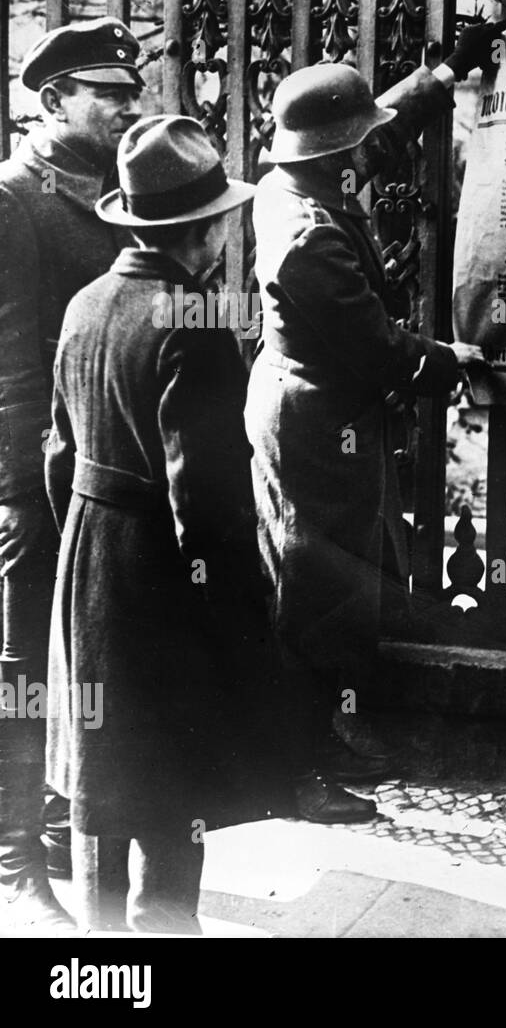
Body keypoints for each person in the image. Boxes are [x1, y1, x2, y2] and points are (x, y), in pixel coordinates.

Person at [246, 23, 506, 823]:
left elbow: (373, 128)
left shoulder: (291, 184)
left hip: (312, 410)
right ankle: (300, 771)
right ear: (336, 156)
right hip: (315, 426)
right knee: (314, 595)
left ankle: (318, 741)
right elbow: (376, 348)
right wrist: (451, 360)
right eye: (356, 146)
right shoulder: (309, 240)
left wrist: (442, 76)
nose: (368, 153)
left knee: (324, 582)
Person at [45, 115, 276, 933]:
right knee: (173, 779)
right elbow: (204, 495)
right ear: (204, 229)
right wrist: (233, 606)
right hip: (156, 573)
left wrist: (84, 539)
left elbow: (57, 454)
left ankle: (101, 952)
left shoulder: (85, 303)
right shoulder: (196, 320)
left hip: (88, 557)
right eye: (224, 217)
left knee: (102, 771)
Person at [0, 16, 143, 933]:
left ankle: (55, 830)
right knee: (21, 666)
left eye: (132, 92)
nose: (129, 107)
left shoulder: (112, 193)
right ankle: (15, 859)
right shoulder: (14, 200)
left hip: (93, 469)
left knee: (80, 658)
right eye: (110, 94)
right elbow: (10, 360)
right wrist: (18, 487)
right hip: (29, 471)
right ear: (53, 102)